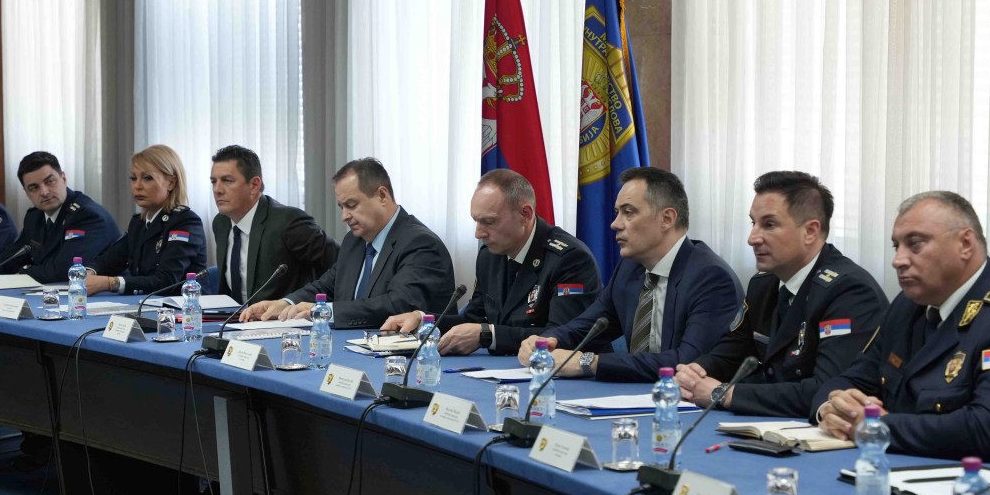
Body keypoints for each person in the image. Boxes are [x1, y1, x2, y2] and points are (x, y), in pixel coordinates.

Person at [813, 191, 990, 463]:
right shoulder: (908, 306)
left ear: (965, 244)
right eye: (896, 246)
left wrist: (877, 428)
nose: (898, 260)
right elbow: (851, 379)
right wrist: (832, 408)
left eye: (915, 244)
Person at [674, 171, 887, 417]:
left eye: (769, 225)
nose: (752, 238)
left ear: (810, 231)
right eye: (753, 223)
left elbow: (828, 392)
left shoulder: (849, 291)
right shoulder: (763, 285)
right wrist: (695, 372)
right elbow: (731, 354)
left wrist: (725, 394)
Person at [518, 167, 742, 380]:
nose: (615, 224)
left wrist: (589, 363)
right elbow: (586, 326)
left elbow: (688, 363)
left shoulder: (710, 278)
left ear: (667, 219)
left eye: (628, 212)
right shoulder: (630, 268)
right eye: (617, 213)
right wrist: (546, 342)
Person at [379, 169, 600, 354]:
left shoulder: (569, 259)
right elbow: (473, 320)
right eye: (476, 221)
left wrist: (488, 335)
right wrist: (423, 320)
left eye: (488, 222)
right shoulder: (489, 255)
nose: (478, 233)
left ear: (525, 214)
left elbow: (561, 336)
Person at [241, 158, 455, 329]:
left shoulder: (420, 244)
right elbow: (326, 286)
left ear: (382, 195)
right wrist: (286, 303)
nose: (344, 216)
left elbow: (397, 304)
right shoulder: (354, 241)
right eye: (341, 207)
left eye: (351, 205)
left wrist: (324, 311)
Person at [210, 145, 337, 303]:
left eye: (227, 181)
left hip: (283, 316)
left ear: (254, 185)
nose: (217, 189)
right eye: (213, 181)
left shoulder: (289, 222)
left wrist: (300, 302)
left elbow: (341, 265)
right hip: (233, 315)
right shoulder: (221, 223)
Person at [0, 151, 120, 284]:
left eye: (49, 181)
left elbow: (63, 270)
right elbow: (14, 257)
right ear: (26, 192)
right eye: (34, 187)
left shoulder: (88, 216)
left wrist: (21, 274)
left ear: (63, 178)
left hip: (99, 297)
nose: (44, 192)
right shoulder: (34, 217)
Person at [85, 144, 206, 296]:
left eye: (147, 178)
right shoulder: (139, 223)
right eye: (133, 178)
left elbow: (167, 281)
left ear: (171, 183)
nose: (137, 186)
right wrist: (88, 273)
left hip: (182, 307)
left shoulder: (185, 222)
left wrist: (110, 283)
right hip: (145, 304)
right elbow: (111, 259)